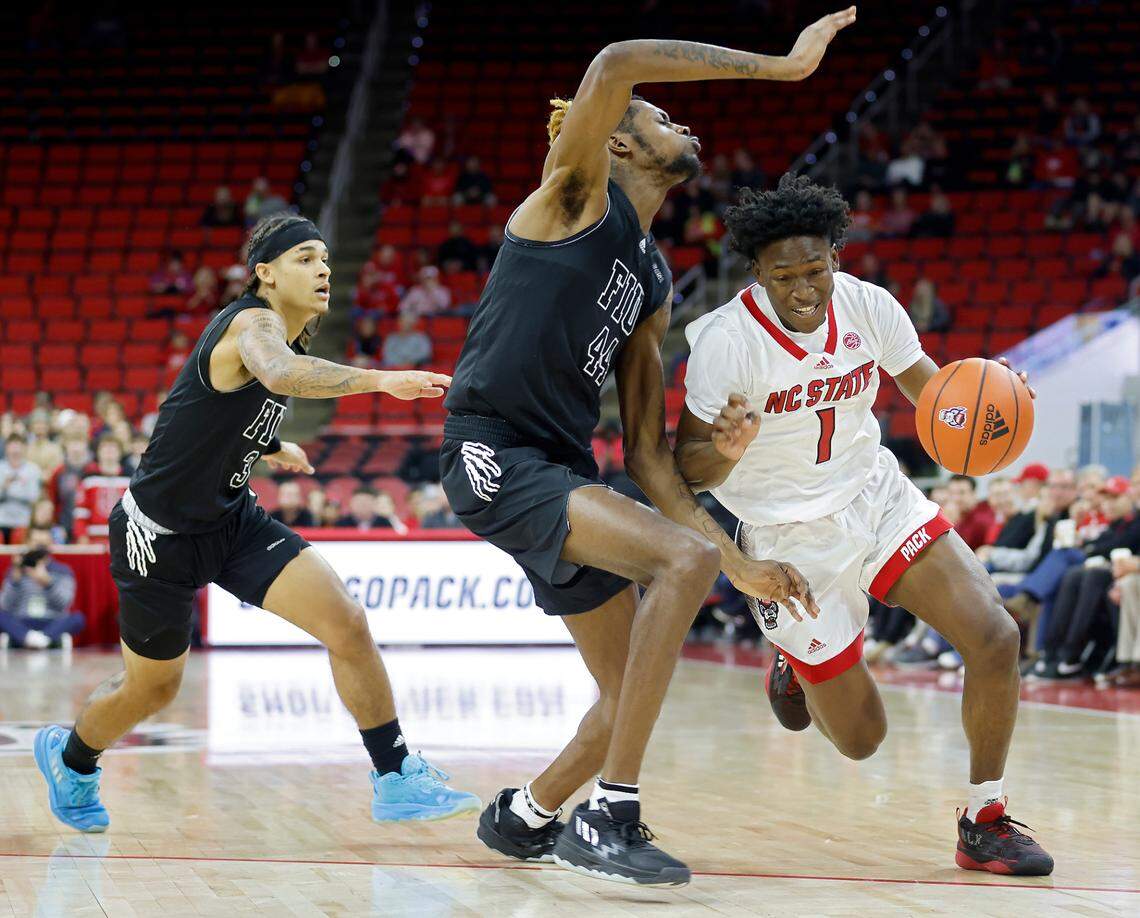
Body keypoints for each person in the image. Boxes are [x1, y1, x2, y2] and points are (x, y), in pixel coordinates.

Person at [441, 12, 852, 885]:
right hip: (494, 454)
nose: (684, 125)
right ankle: (611, 814)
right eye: (662, 118)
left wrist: (736, 548)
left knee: (628, 690)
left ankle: (528, 815)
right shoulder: (570, 199)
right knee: (681, 559)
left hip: (562, 471)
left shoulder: (654, 277)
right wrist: (782, 68)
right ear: (619, 146)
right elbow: (617, 58)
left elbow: (649, 454)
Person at [34, 212, 477, 835]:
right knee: (153, 688)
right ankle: (72, 757)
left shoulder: (283, 338)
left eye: (325, 258)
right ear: (264, 274)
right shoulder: (254, 323)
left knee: (346, 622)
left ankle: (396, 774)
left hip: (231, 520)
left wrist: (268, 446)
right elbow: (275, 372)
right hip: (156, 536)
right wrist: (382, 380)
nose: (322, 268)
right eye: (305, 258)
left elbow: (206, 409)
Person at [677, 173, 1053, 876]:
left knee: (997, 637)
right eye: (783, 274)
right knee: (862, 741)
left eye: (814, 268)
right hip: (787, 538)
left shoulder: (869, 307)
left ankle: (986, 819)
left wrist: (989, 401)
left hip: (875, 496)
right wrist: (721, 454)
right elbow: (684, 468)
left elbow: (937, 400)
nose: (802, 288)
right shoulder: (728, 342)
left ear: (836, 259)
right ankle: (796, 662)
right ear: (757, 274)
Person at [0, 525, 83, 650]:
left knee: (78, 618)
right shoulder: (17, 569)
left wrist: (47, 583)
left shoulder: (63, 571)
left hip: (51, 622)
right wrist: (15, 580)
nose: (39, 548)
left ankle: (34, 639)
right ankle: (37, 639)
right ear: (28, 543)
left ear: (50, 545)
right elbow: (5, 605)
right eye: (36, 543)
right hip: (22, 621)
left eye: (43, 544)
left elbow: (64, 604)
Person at [73, 436, 131, 545]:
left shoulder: (129, 479)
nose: (109, 451)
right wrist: (82, 536)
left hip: (123, 540)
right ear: (98, 452)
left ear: (120, 452)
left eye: (113, 448)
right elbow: (81, 514)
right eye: (105, 448)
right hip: (93, 540)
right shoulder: (88, 479)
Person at [0, 435, 42, 544]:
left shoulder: (33, 470)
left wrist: (14, 491)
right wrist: (4, 487)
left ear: (24, 448)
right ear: (6, 448)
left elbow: (34, 497)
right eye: (12, 447)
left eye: (18, 447)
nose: (15, 451)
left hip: (23, 522)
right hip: (2, 520)